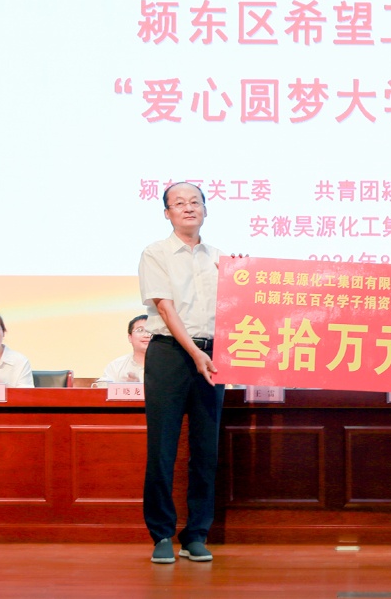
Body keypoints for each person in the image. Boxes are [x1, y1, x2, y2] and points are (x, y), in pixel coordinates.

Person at [139, 182, 228, 565]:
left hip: (214, 355)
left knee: (206, 449)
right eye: (179, 203)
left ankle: (196, 533)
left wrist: (244, 279)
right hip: (171, 355)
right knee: (162, 447)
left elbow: (239, 307)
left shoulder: (222, 258)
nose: (188, 208)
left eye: (195, 202)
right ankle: (162, 534)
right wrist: (194, 353)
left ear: (205, 210)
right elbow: (166, 308)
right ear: (167, 213)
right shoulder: (155, 253)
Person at [98, 314, 149, 383]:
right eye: (140, 330)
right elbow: (102, 387)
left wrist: (138, 386)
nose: (146, 335)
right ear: (130, 337)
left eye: (151, 331)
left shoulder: (164, 364)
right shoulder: (116, 366)